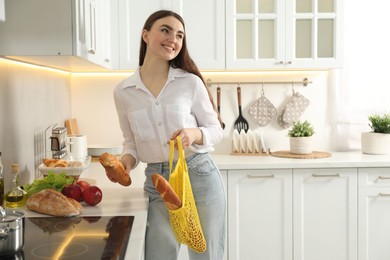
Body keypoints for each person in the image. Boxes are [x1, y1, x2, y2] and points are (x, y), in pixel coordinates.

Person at [111, 10, 226, 260]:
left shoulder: (190, 82)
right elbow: (131, 144)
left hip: (199, 176)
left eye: (180, 35)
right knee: (159, 255)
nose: (173, 38)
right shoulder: (123, 91)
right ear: (146, 35)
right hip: (157, 181)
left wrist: (194, 133)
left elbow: (216, 130)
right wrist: (124, 164)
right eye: (165, 30)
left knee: (207, 253)